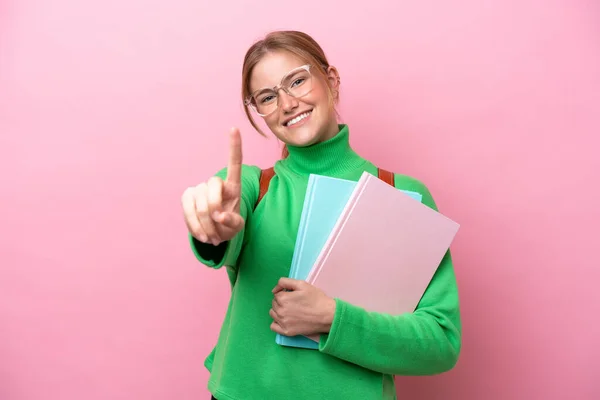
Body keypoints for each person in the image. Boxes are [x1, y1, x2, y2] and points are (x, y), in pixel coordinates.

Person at [181, 30, 461, 400]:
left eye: (296, 80)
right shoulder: (251, 188)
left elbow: (440, 343)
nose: (286, 103)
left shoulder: (402, 195)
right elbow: (222, 217)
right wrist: (213, 226)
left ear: (330, 79)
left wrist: (331, 317)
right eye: (267, 97)